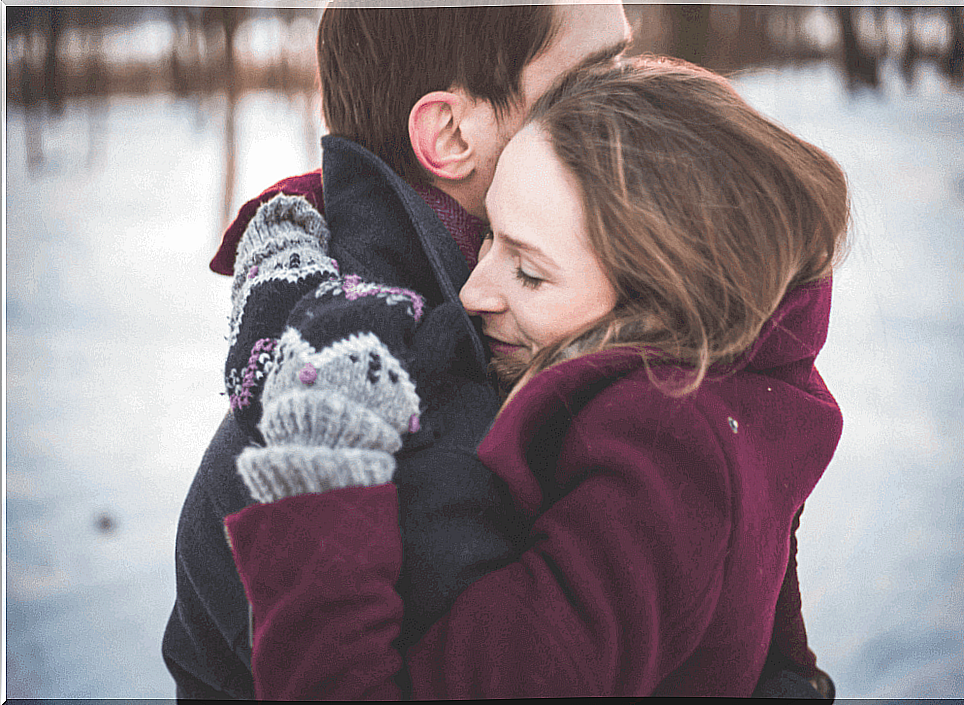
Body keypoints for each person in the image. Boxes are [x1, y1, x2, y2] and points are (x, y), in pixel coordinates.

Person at [222, 56, 849, 698]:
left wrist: (320, 479)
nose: (472, 293)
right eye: (489, 236)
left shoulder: (662, 471)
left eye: (530, 272)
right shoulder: (739, 395)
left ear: (664, 302)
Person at [162, 4, 633, 699]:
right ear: (449, 133)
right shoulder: (403, 442)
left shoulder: (552, 309)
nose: (640, 104)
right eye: (598, 77)